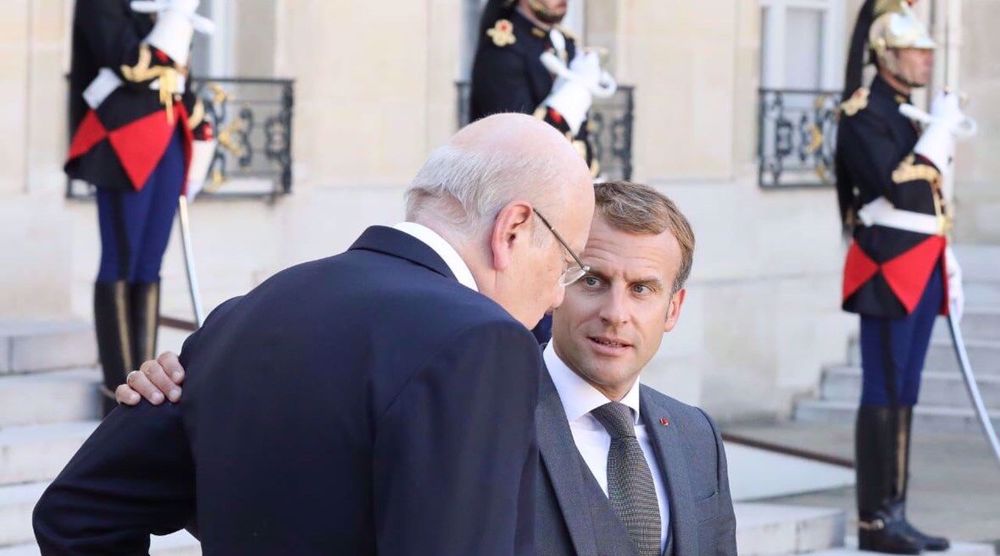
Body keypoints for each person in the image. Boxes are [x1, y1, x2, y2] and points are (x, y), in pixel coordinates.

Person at [33, 113, 595, 555]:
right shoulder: (482, 342)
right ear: (514, 228)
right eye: (566, 264)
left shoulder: (246, 313)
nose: (556, 296)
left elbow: (77, 515)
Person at [117, 181, 737, 555]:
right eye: (595, 280)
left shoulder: (694, 436)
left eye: (643, 289)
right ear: (558, 278)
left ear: (674, 307)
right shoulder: (471, 403)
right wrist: (197, 397)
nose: (615, 313)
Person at [836, 0, 968, 552]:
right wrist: (937, 138)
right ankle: (874, 521)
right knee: (884, 389)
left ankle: (898, 510)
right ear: (887, 56)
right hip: (886, 267)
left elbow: (930, 205)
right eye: (916, 51)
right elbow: (903, 187)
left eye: (928, 51)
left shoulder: (910, 114)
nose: (926, 61)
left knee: (907, 390)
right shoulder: (865, 113)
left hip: (923, 262)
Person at [66, 0, 214, 415]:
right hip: (121, 139)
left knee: (150, 262)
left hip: (167, 138)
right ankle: (116, 385)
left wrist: (200, 118)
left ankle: (143, 379)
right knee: (122, 258)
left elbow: (181, 75)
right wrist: (174, 20)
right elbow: (130, 63)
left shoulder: (160, 6)